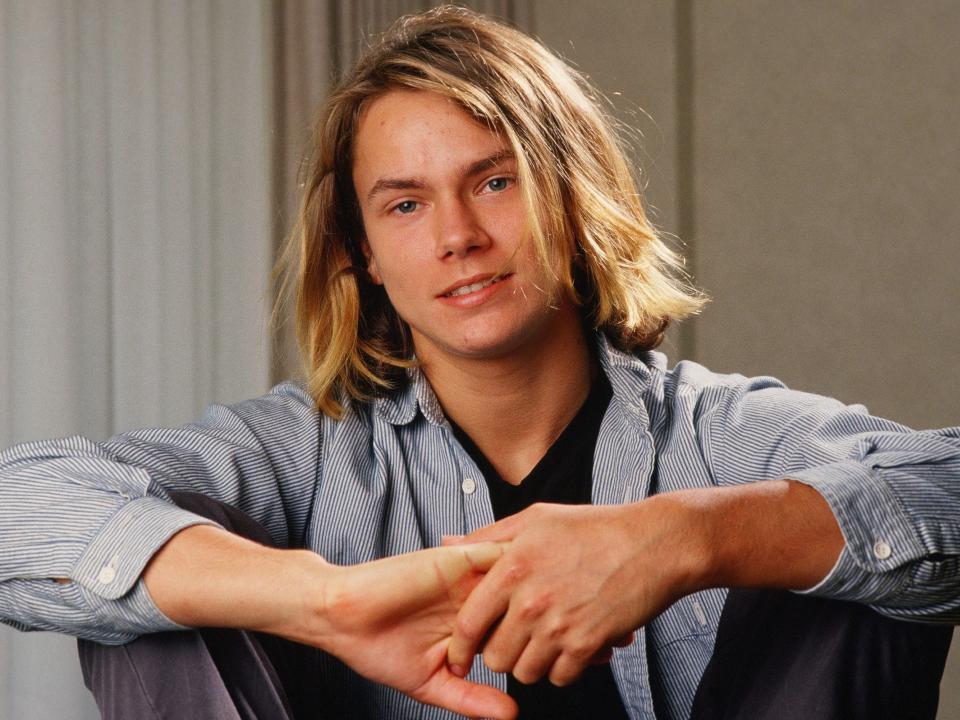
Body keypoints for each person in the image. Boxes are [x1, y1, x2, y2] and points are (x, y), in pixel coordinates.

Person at [1, 6, 957, 720]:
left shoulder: (715, 437)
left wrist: (684, 539)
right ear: (364, 252)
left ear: (573, 203)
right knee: (158, 589)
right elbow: (17, 509)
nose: (457, 235)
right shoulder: (308, 454)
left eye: (495, 181)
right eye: (405, 204)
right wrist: (328, 602)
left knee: (847, 540)